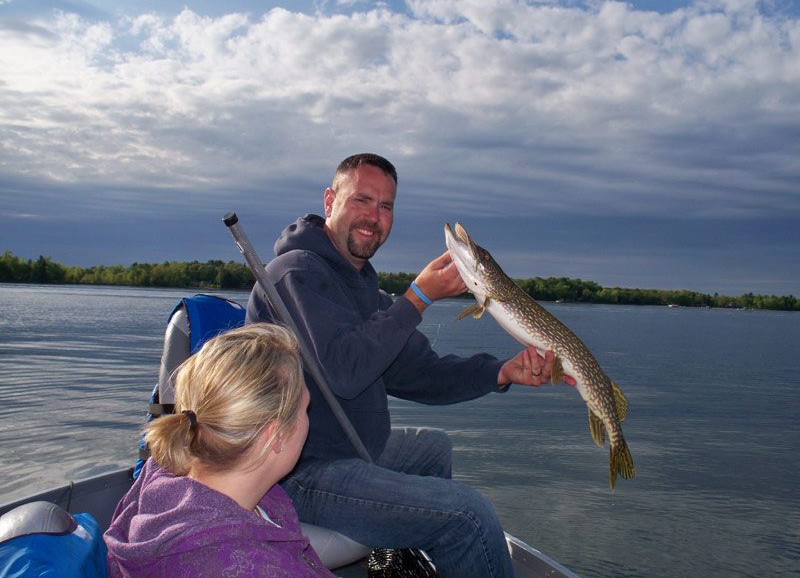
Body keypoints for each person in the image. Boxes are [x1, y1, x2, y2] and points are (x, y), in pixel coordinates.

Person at [246, 153, 574, 578]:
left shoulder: (362, 288)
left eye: (386, 206)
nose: (374, 216)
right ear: (330, 202)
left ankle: (398, 559)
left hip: (350, 453)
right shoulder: (294, 275)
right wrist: (417, 298)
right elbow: (343, 372)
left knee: (434, 449)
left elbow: (418, 373)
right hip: (293, 471)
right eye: (362, 200)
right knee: (469, 516)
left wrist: (500, 372)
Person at [104, 324, 334, 577]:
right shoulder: (251, 569)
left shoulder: (163, 475)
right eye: (304, 409)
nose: (308, 420)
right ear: (275, 436)